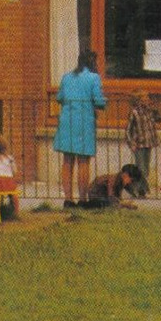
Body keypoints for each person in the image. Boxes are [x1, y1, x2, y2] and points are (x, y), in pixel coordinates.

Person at [54, 50, 107, 207]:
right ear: (92, 62)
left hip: (67, 121)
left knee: (67, 161)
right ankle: (83, 199)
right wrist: (105, 101)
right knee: (83, 161)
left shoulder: (66, 77)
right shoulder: (93, 78)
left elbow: (59, 98)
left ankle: (68, 199)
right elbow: (99, 101)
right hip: (84, 122)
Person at [125, 90, 160, 182]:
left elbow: (159, 120)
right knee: (141, 167)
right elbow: (128, 129)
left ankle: (142, 187)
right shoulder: (134, 112)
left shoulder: (149, 111)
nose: (148, 99)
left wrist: (155, 110)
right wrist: (131, 143)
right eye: (145, 97)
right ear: (139, 100)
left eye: (148, 97)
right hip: (138, 143)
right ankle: (140, 189)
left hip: (148, 142)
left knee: (146, 166)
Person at [78, 163, 146, 209]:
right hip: (96, 195)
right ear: (125, 175)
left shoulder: (121, 180)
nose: (130, 183)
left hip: (104, 195)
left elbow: (118, 195)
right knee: (109, 204)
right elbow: (111, 195)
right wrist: (123, 204)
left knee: (114, 204)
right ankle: (89, 205)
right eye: (131, 180)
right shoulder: (113, 179)